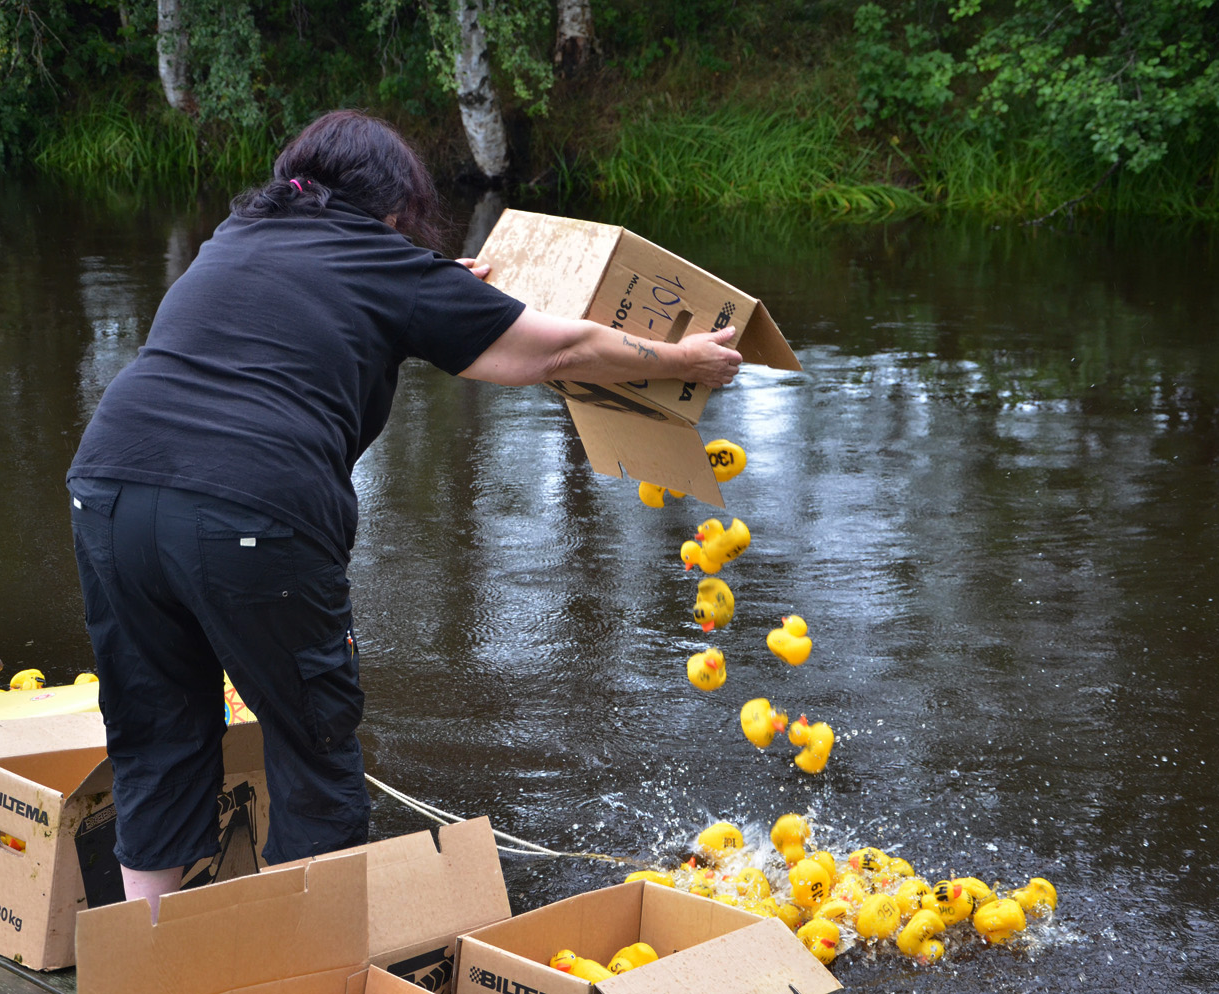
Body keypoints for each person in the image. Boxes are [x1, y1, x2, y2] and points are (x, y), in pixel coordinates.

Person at [66, 109, 742, 921]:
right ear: (392, 206)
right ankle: (303, 964)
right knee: (313, 747)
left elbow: (335, 299)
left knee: (156, 732)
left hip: (106, 489)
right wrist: (681, 358)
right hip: (250, 511)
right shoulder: (388, 263)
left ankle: (146, 953)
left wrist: (431, 283)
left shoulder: (236, 235)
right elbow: (554, 351)